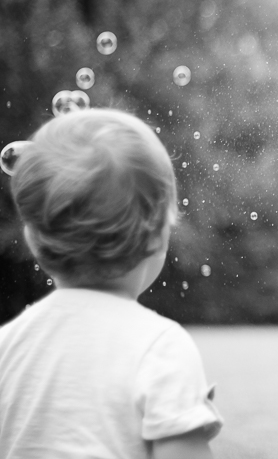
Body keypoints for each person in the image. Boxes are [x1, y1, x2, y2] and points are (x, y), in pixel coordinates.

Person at [0, 108, 222, 458]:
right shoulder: (162, 349)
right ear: (158, 233)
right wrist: (182, 411)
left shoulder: (8, 345)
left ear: (33, 238)